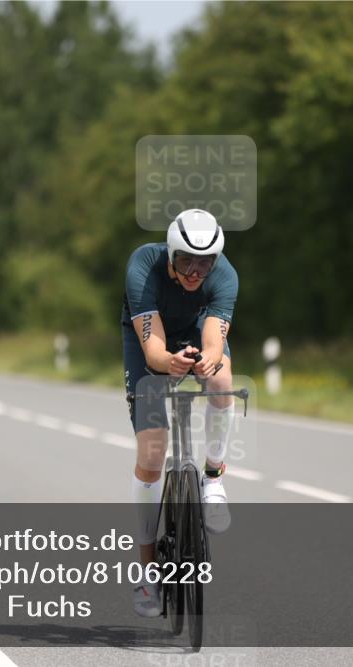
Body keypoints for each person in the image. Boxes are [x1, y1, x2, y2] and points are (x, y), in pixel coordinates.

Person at [121, 209, 239, 617]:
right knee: (152, 456)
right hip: (149, 341)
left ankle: (213, 477)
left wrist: (207, 361)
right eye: (186, 259)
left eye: (204, 262)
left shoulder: (224, 276)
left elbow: (212, 339)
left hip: (195, 331)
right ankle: (148, 570)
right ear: (171, 253)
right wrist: (168, 361)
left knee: (222, 381)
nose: (194, 270)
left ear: (216, 261)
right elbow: (153, 351)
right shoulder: (144, 265)